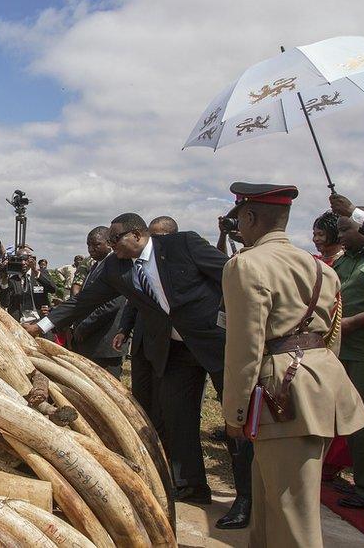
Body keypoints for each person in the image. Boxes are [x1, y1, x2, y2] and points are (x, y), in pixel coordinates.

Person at [24, 211, 254, 528]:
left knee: (234, 418)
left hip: (217, 344)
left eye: (115, 239)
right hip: (174, 351)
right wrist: (42, 326)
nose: (111, 245)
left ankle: (246, 498)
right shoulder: (116, 267)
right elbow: (83, 302)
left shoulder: (182, 244)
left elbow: (230, 277)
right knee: (176, 416)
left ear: (136, 235)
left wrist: (242, 324)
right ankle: (191, 485)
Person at [221, 183, 364, 546]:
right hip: (316, 384)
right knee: (274, 502)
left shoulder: (246, 265)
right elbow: (331, 336)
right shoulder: (321, 268)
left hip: (281, 391)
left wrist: (235, 412)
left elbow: (245, 347)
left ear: (250, 216)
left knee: (291, 512)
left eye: (240, 217)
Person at [114, 216, 179, 444]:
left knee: (165, 400)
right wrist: (124, 328)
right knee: (142, 395)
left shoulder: (178, 264)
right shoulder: (136, 266)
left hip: (171, 345)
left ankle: (164, 442)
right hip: (143, 340)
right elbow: (133, 302)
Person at [332, 211, 364, 509]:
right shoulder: (346, 259)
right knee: (348, 419)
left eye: (346, 228)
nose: (340, 234)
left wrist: (354, 321)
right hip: (340, 350)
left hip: (363, 353)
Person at [70, 226, 127, 377]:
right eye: (88, 245)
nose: (91, 249)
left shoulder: (117, 266)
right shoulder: (95, 266)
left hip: (106, 343)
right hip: (91, 341)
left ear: (109, 243)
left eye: (96, 244)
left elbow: (112, 304)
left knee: (109, 391)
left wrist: (84, 326)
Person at [2, 246, 56, 322]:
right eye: (20, 260)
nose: (23, 263)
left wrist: (35, 271)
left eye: (26, 260)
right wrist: (3, 277)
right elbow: (5, 303)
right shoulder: (12, 280)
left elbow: (53, 289)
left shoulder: (41, 273)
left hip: (40, 319)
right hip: (20, 321)